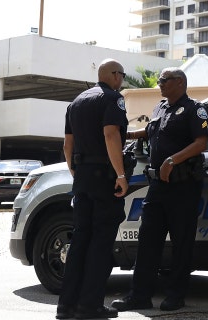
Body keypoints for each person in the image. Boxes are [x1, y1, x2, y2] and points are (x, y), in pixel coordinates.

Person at [111, 67, 208, 312]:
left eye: (163, 80)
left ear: (179, 82)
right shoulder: (160, 107)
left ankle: (175, 295)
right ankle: (139, 296)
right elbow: (151, 131)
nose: (159, 84)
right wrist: (127, 134)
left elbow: (201, 142)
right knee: (148, 242)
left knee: (181, 242)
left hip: (183, 185)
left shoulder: (194, 109)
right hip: (157, 186)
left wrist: (172, 160)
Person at [57, 58, 129, 319]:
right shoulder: (112, 99)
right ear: (113, 75)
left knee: (80, 241)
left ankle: (66, 306)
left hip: (83, 177)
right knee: (100, 242)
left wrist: (75, 170)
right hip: (103, 178)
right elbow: (111, 135)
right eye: (121, 75)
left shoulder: (76, 102)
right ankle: (90, 305)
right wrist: (120, 174)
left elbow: (67, 145)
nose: (122, 80)